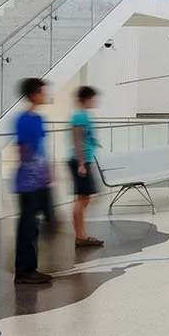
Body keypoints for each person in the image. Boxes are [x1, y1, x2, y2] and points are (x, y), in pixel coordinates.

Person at [12, 78, 57, 286]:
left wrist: (47, 170)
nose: (45, 95)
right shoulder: (23, 120)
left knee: (36, 225)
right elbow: (23, 149)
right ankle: (24, 271)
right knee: (28, 226)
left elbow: (41, 148)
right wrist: (34, 171)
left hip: (39, 179)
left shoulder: (38, 118)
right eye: (42, 92)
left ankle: (31, 267)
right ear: (33, 94)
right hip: (28, 181)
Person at [69, 86, 103, 248]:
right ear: (86, 99)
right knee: (82, 199)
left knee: (84, 198)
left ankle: (82, 234)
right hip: (79, 161)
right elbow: (77, 140)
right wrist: (81, 163)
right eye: (93, 98)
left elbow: (86, 137)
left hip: (85, 159)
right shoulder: (78, 117)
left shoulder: (85, 116)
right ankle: (79, 235)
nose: (95, 101)